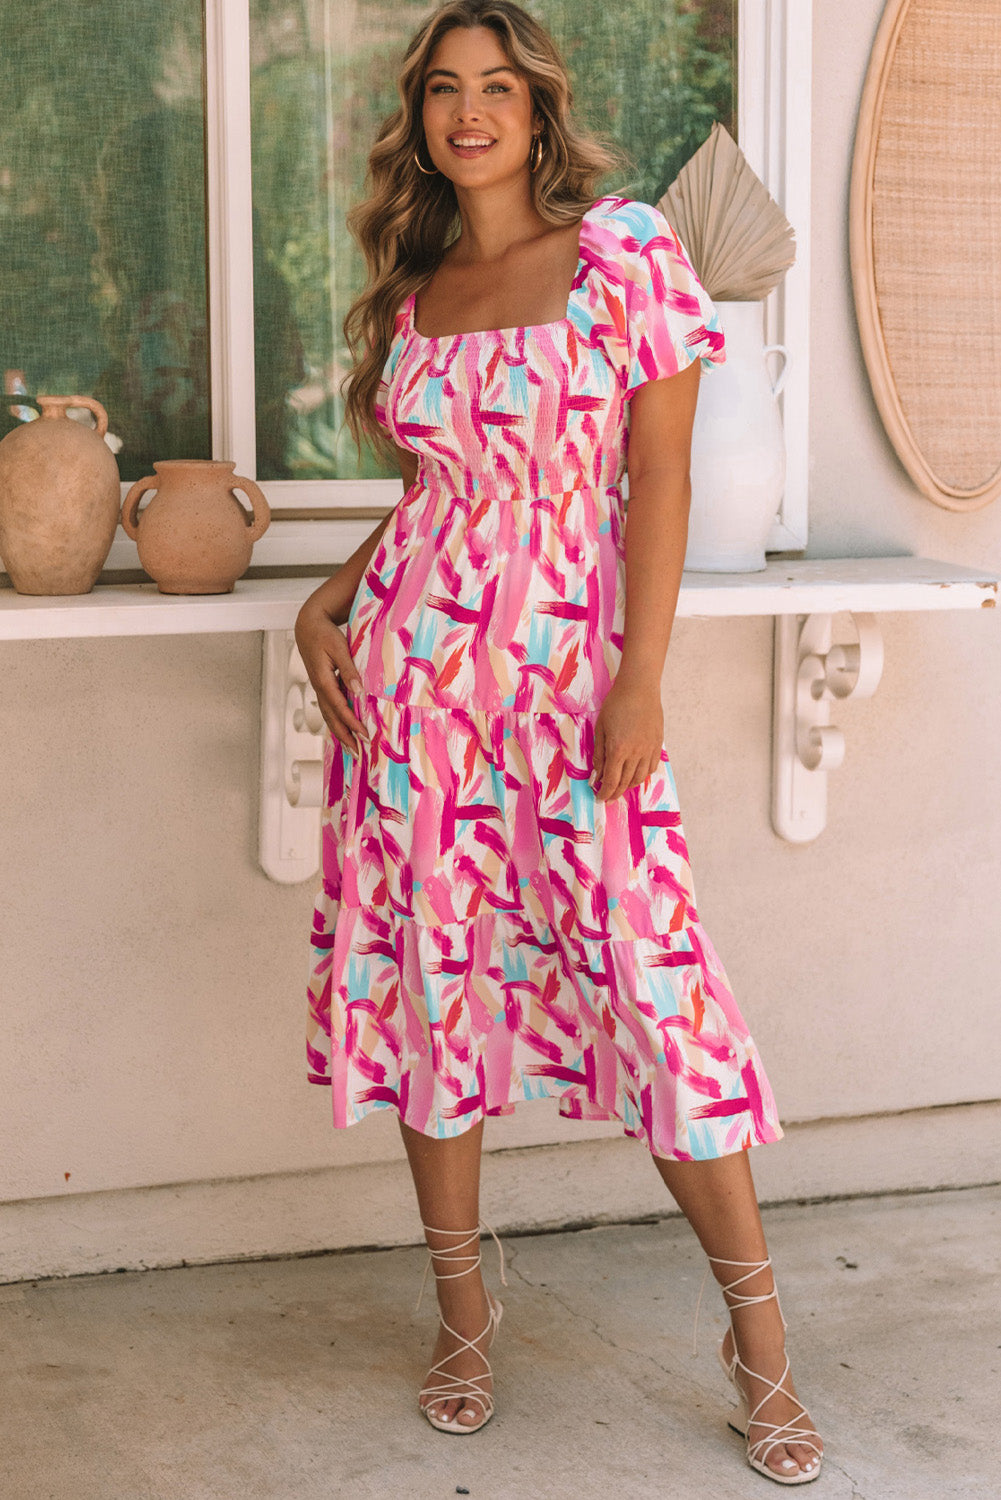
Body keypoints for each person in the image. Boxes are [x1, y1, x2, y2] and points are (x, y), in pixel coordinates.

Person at [294, 1, 823, 1484]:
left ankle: (760, 1346)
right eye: (445, 90)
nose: (471, 112)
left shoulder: (622, 252)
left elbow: (656, 472)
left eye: (498, 87)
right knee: (431, 990)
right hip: (414, 694)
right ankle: (462, 1317)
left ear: (538, 109)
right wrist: (326, 605)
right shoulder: (422, 286)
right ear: (423, 119)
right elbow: (438, 497)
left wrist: (639, 679)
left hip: (570, 683)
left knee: (654, 990)